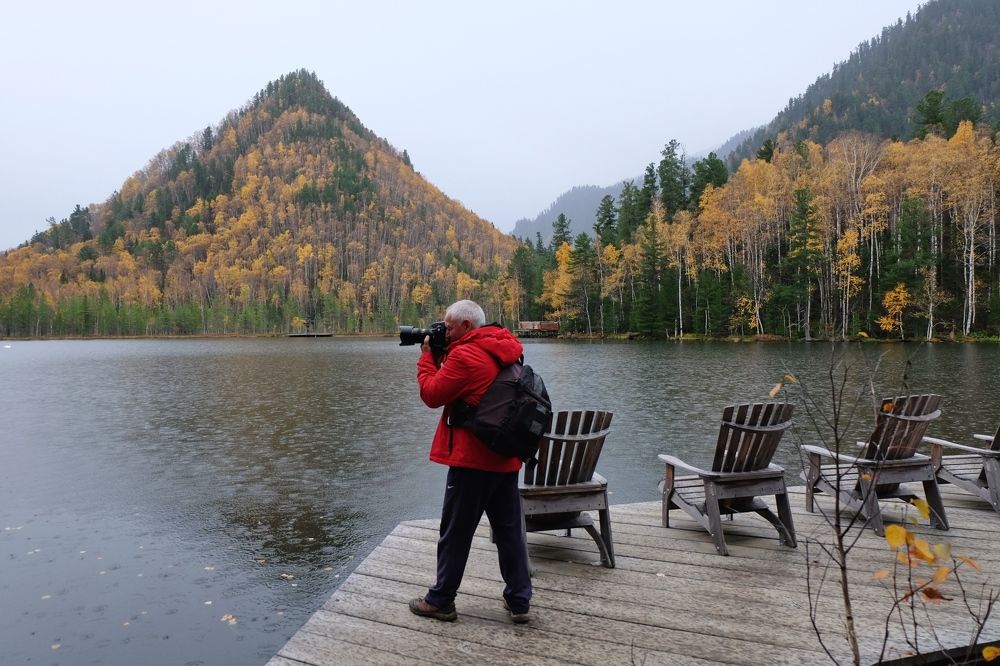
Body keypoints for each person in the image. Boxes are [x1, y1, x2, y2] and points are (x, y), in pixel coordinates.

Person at [408, 299, 532, 624]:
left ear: (466, 327)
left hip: (472, 462)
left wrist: (426, 358)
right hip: (505, 458)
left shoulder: (465, 355)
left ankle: (441, 600)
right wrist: (442, 354)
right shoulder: (506, 350)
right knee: (509, 533)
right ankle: (519, 601)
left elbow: (432, 394)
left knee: (455, 533)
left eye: (449, 326)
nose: (444, 331)